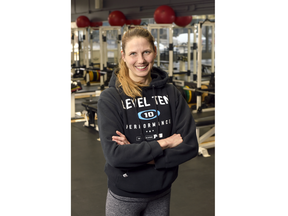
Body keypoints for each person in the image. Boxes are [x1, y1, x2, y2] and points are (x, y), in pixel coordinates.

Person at [97, 26, 198, 216]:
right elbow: (116, 156)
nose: (141, 60)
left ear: (155, 52)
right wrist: (165, 143)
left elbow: (190, 145)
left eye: (146, 52)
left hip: (162, 192)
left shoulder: (171, 94)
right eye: (133, 53)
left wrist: (137, 154)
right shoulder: (111, 98)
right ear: (124, 56)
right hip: (124, 195)